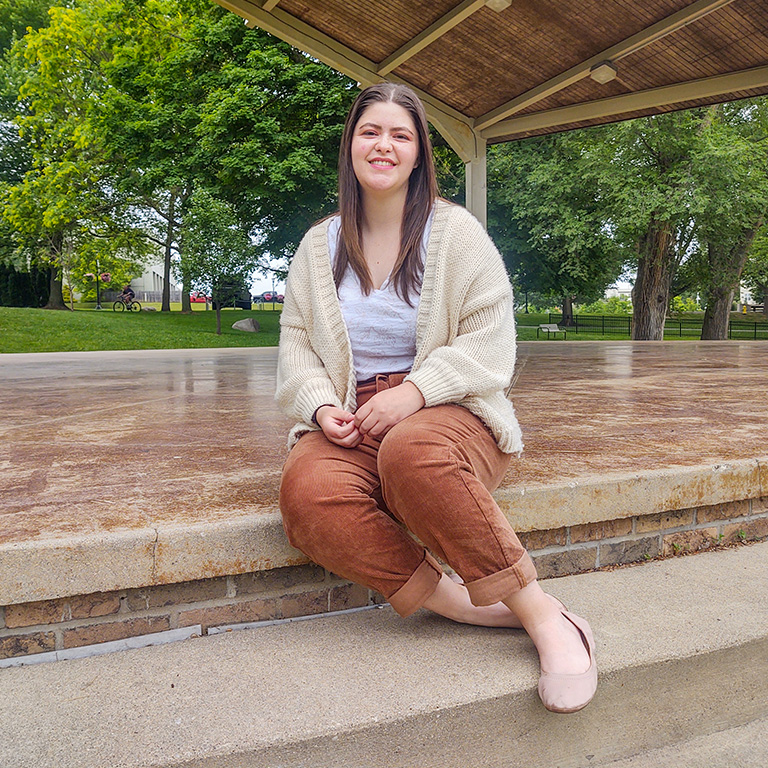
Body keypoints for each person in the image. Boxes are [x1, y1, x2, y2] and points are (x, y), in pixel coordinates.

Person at [276, 83, 597, 713]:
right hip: (353, 415)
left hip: (449, 411)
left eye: (401, 134)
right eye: (370, 131)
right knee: (306, 493)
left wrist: (416, 392)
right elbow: (296, 345)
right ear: (350, 146)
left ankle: (541, 616)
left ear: (420, 152)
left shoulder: (457, 234)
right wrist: (319, 407)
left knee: (412, 454)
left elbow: (491, 340)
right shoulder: (319, 246)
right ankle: (454, 602)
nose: (384, 145)